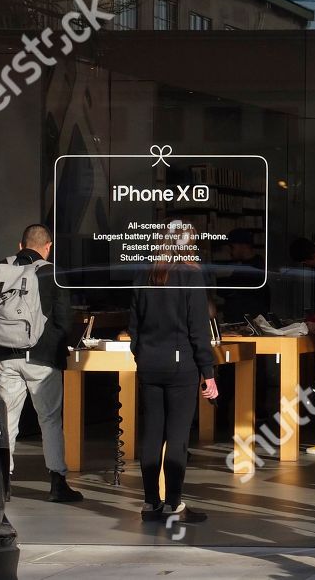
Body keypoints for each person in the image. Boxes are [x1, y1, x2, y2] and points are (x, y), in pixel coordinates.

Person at [0, 223, 82, 502]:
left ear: (20, 245)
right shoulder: (52, 271)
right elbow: (64, 318)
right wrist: (59, 347)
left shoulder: (1, 266)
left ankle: (2, 483)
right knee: (49, 419)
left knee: (8, 419)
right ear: (48, 247)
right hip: (42, 358)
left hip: (5, 355)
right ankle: (57, 484)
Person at [130, 221, 219, 525]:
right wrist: (208, 372)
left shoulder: (144, 273)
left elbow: (134, 325)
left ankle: (150, 503)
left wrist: (140, 355)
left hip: (149, 365)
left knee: (152, 434)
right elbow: (199, 329)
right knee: (177, 437)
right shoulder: (191, 275)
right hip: (181, 367)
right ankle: (174, 504)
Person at [213, 228, 268, 323]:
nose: (230, 252)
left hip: (247, 324)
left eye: (232, 247)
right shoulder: (247, 266)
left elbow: (227, 290)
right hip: (240, 323)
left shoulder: (254, 268)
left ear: (243, 246)